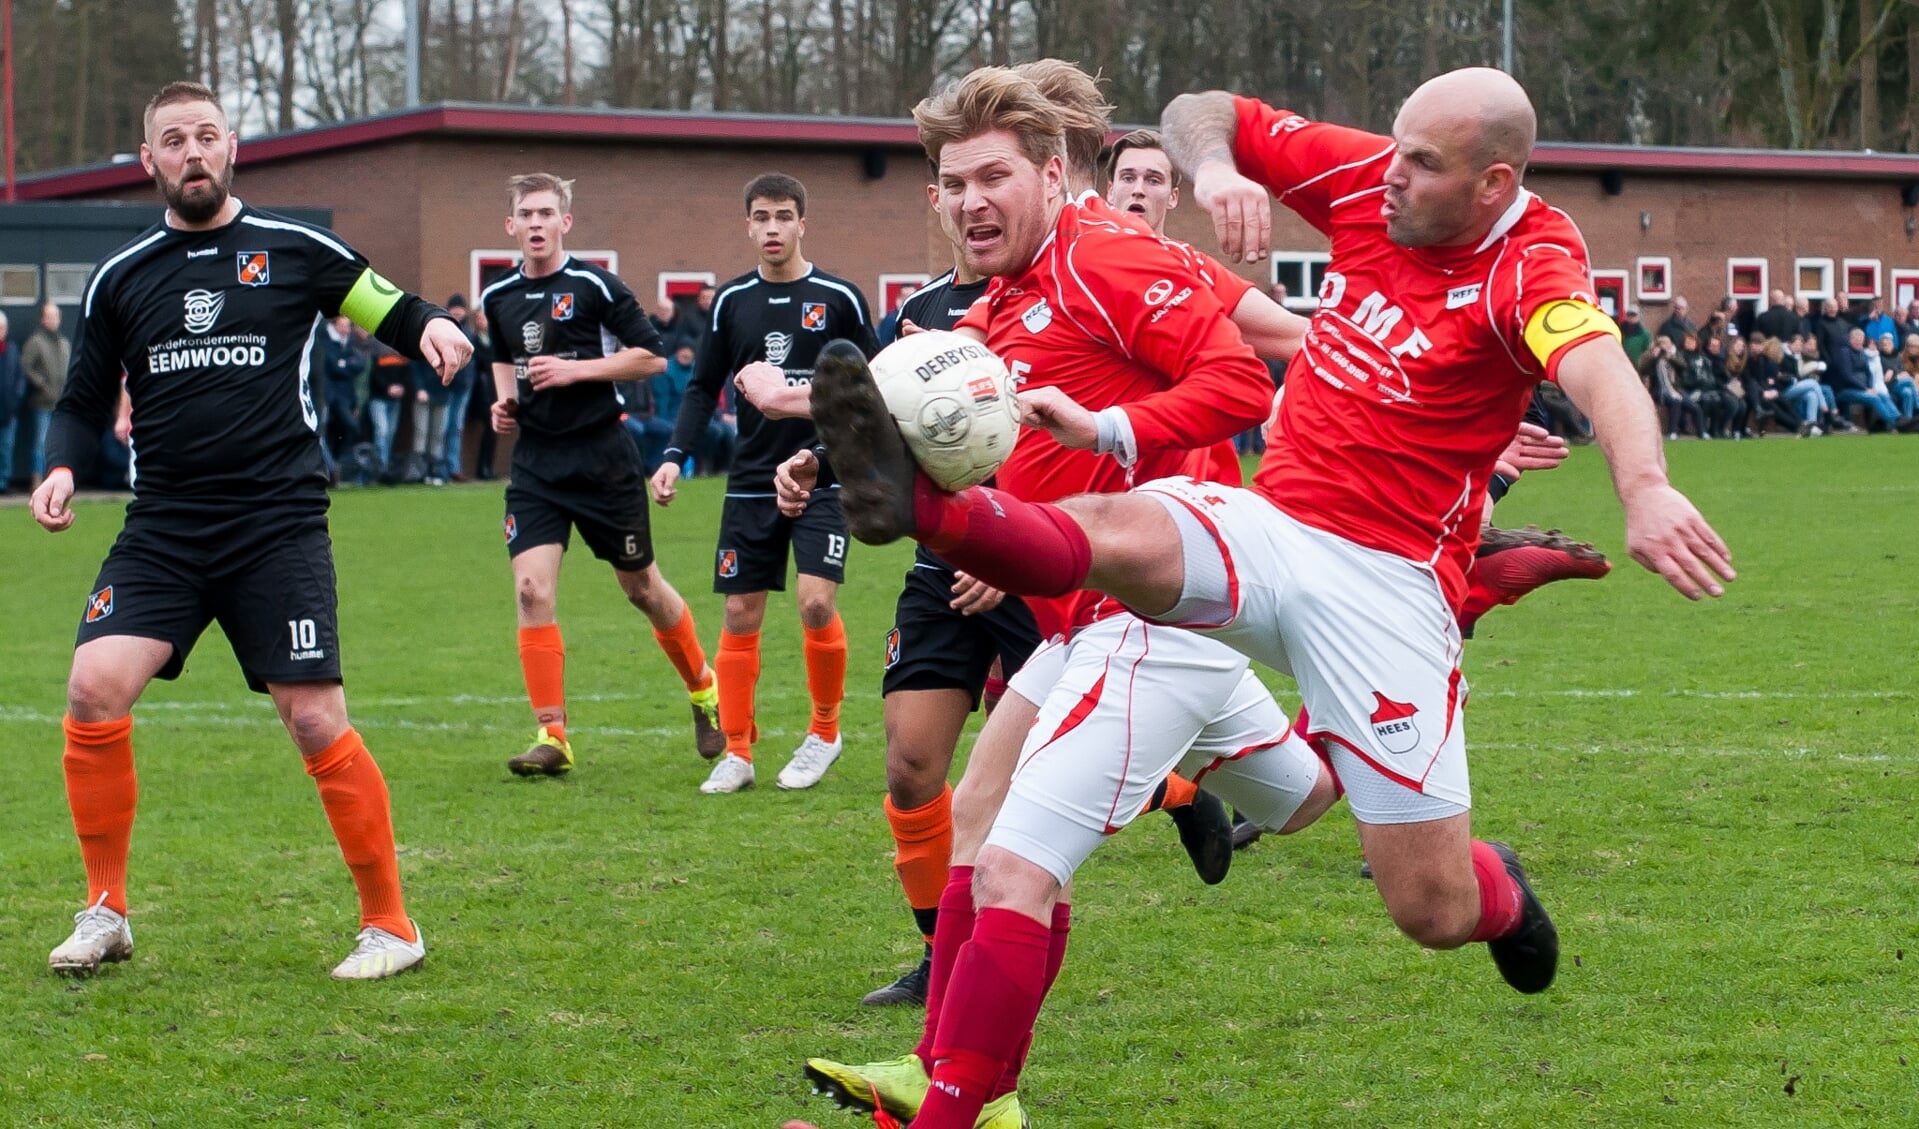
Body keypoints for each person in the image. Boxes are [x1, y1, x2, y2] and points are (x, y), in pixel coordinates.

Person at [804, 67, 1735, 1124]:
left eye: (1423, 163)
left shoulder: (1526, 268)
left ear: (1492, 184)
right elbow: (1206, 110)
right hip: (1276, 522)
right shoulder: (1368, 178)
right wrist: (1215, 165)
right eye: (1393, 146)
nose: (1389, 174)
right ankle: (919, 515)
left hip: (1386, 589)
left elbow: (1598, 367)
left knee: (1425, 904)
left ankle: (1499, 893)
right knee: (1118, 535)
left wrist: (1644, 485)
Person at [791, 66, 1346, 1129]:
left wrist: (1100, 432)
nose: (968, 201)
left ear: (1051, 174)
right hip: (1083, 619)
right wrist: (833, 461)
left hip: (1152, 614)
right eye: (953, 183)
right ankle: (1461, 863)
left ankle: (958, 1097)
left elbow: (1240, 383)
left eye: (991, 176)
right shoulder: (1005, 296)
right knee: (1304, 797)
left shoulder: (1103, 257)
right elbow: (979, 441)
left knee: (1009, 866)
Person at [29, 81, 473, 980]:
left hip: (276, 524)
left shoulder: (292, 248)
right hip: (165, 527)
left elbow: (383, 297)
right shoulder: (122, 280)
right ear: (148, 160)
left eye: (205, 136)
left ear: (231, 148)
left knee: (312, 718)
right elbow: (81, 403)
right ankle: (105, 909)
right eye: (172, 141)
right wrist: (64, 465)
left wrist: (430, 327)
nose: (191, 153)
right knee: (91, 688)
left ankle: (392, 924)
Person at [481, 172, 722, 776]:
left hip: (602, 459)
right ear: (510, 226)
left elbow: (650, 356)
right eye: (525, 215)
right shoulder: (498, 298)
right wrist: (503, 404)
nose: (535, 224)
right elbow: (504, 364)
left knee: (641, 589)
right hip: (536, 462)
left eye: (545, 213)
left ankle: (703, 688)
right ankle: (552, 735)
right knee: (531, 590)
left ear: (565, 221)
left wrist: (576, 370)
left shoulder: (594, 284)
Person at [650, 173, 878, 794]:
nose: (772, 228)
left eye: (783, 216)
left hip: (825, 473)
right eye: (761, 217)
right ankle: (739, 751)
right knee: (740, 612)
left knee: (814, 602)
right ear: (748, 225)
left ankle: (824, 733)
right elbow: (701, 389)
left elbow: (874, 387)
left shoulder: (841, 299)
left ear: (803, 223)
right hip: (751, 480)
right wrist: (674, 455)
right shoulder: (729, 303)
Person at [22, 300, 71, 488]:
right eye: (49, 316)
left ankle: (56, 479)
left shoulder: (64, 343)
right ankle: (37, 479)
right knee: (40, 443)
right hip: (42, 403)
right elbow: (26, 366)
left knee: (59, 444)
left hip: (61, 403)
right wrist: (42, 384)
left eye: (56, 316)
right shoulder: (36, 342)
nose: (53, 320)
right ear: (42, 319)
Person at [439, 294, 479, 481]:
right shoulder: (444, 329)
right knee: (444, 428)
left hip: (463, 388)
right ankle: (441, 468)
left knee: (456, 428)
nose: (457, 312)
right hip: (447, 387)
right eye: (454, 309)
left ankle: (454, 467)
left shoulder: (469, 332)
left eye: (460, 309)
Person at [0, 313, 24, 493]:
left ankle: (3, 483)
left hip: (8, 410)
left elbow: (20, 377)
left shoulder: (13, 350)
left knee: (6, 448)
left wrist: (16, 398)